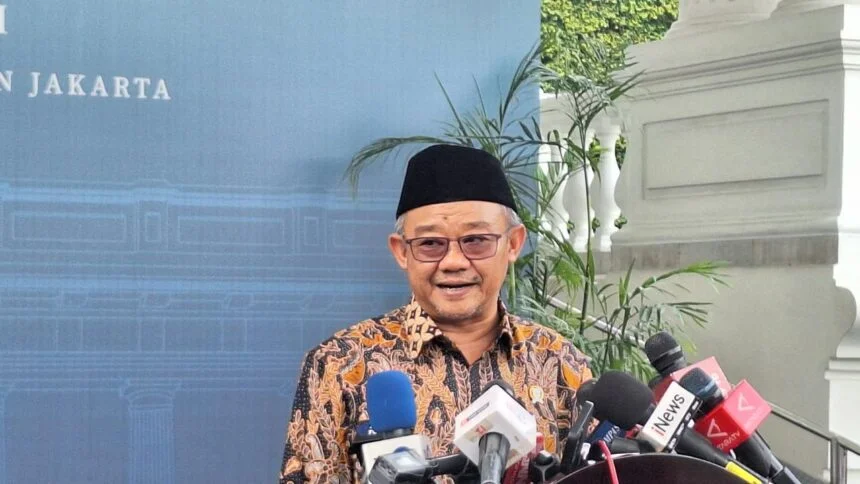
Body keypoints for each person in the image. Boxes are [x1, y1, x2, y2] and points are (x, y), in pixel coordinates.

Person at [279, 144, 593, 483]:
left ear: (513, 243)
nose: (454, 262)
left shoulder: (559, 361)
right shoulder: (339, 364)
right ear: (401, 251)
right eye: (430, 244)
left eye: (476, 241)